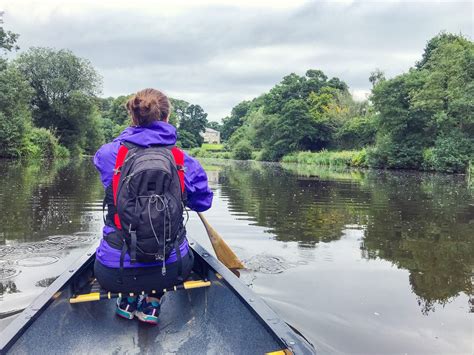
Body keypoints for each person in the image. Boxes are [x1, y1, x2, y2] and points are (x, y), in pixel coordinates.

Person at [93, 88, 213, 325]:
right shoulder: (184, 161)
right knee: (174, 248)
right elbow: (203, 203)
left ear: (134, 116)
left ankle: (127, 299)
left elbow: (109, 180)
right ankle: (153, 300)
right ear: (167, 117)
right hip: (170, 271)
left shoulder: (108, 154)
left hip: (113, 272)